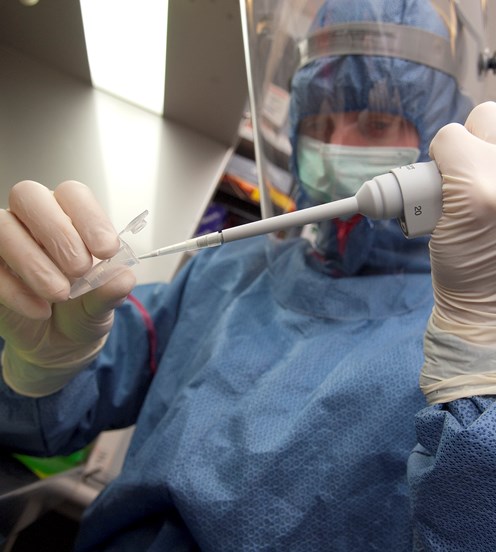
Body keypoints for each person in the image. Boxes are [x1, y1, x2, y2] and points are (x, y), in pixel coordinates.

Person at [0, 0, 490, 550]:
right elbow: (39, 426)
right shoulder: (226, 273)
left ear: (436, 139)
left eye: (375, 122)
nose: (339, 147)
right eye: (321, 122)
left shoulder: (471, 337)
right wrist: (37, 367)